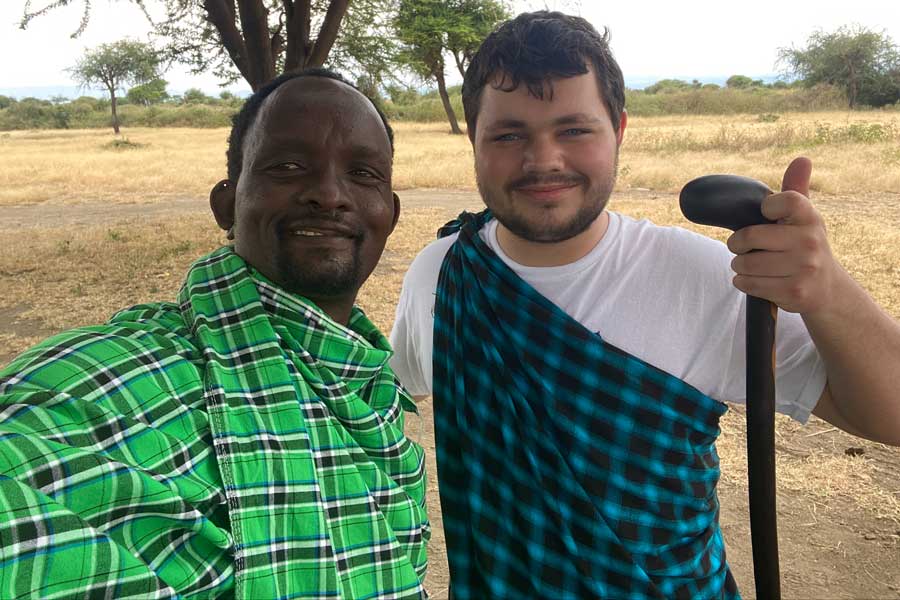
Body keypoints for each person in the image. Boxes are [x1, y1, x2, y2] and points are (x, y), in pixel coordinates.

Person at [389, 11, 900, 599]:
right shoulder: (443, 276)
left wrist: (828, 287)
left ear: (620, 130)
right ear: (472, 140)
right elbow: (385, 407)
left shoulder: (705, 277)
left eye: (574, 129)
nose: (544, 160)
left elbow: (886, 417)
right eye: (508, 135)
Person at [0, 69, 429, 599]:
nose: (328, 194)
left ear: (391, 213)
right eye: (289, 166)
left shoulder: (370, 382)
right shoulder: (98, 385)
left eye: (363, 173)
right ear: (226, 204)